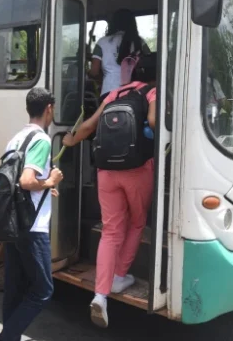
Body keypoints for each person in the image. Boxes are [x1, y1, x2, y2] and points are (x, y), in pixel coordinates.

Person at [63, 53, 157, 329]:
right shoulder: (152, 92)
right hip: (137, 169)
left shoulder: (115, 93)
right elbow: (153, 122)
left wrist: (70, 140)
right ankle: (119, 275)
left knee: (111, 230)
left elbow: (90, 126)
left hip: (105, 170)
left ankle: (100, 295)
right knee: (137, 222)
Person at [0, 88, 64, 341]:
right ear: (48, 109)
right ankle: (5, 338)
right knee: (42, 290)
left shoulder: (16, 138)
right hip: (32, 226)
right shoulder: (42, 140)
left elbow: (14, 180)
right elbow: (25, 181)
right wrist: (50, 181)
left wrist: (44, 188)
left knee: (14, 288)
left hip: (14, 223)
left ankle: (8, 336)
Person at [89, 9, 151, 104]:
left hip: (108, 93)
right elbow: (150, 67)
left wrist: (89, 73)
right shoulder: (140, 42)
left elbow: (94, 72)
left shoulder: (102, 42)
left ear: (113, 23)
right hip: (134, 94)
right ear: (132, 23)